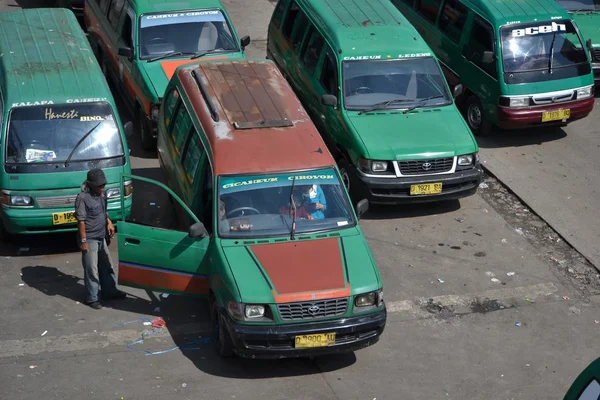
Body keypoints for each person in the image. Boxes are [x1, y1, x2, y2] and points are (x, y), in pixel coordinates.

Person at [74, 168, 127, 310]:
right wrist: (83, 241)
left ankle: (110, 291)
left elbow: (103, 211)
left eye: (103, 184)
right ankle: (92, 298)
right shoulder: (82, 198)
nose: (102, 187)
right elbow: (81, 221)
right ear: (90, 184)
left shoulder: (102, 195)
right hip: (89, 238)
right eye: (99, 185)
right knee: (92, 269)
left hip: (101, 236)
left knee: (106, 265)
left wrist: (109, 222)